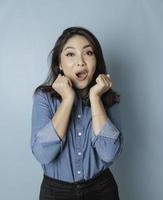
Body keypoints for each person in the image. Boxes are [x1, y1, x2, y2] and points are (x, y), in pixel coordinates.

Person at [31, 26, 123, 200]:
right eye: (70, 54)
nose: (80, 62)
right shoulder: (43, 98)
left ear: (96, 60)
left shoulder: (109, 99)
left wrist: (95, 98)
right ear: (59, 64)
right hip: (56, 192)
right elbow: (43, 154)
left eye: (88, 53)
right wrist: (67, 100)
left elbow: (109, 153)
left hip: (102, 190)